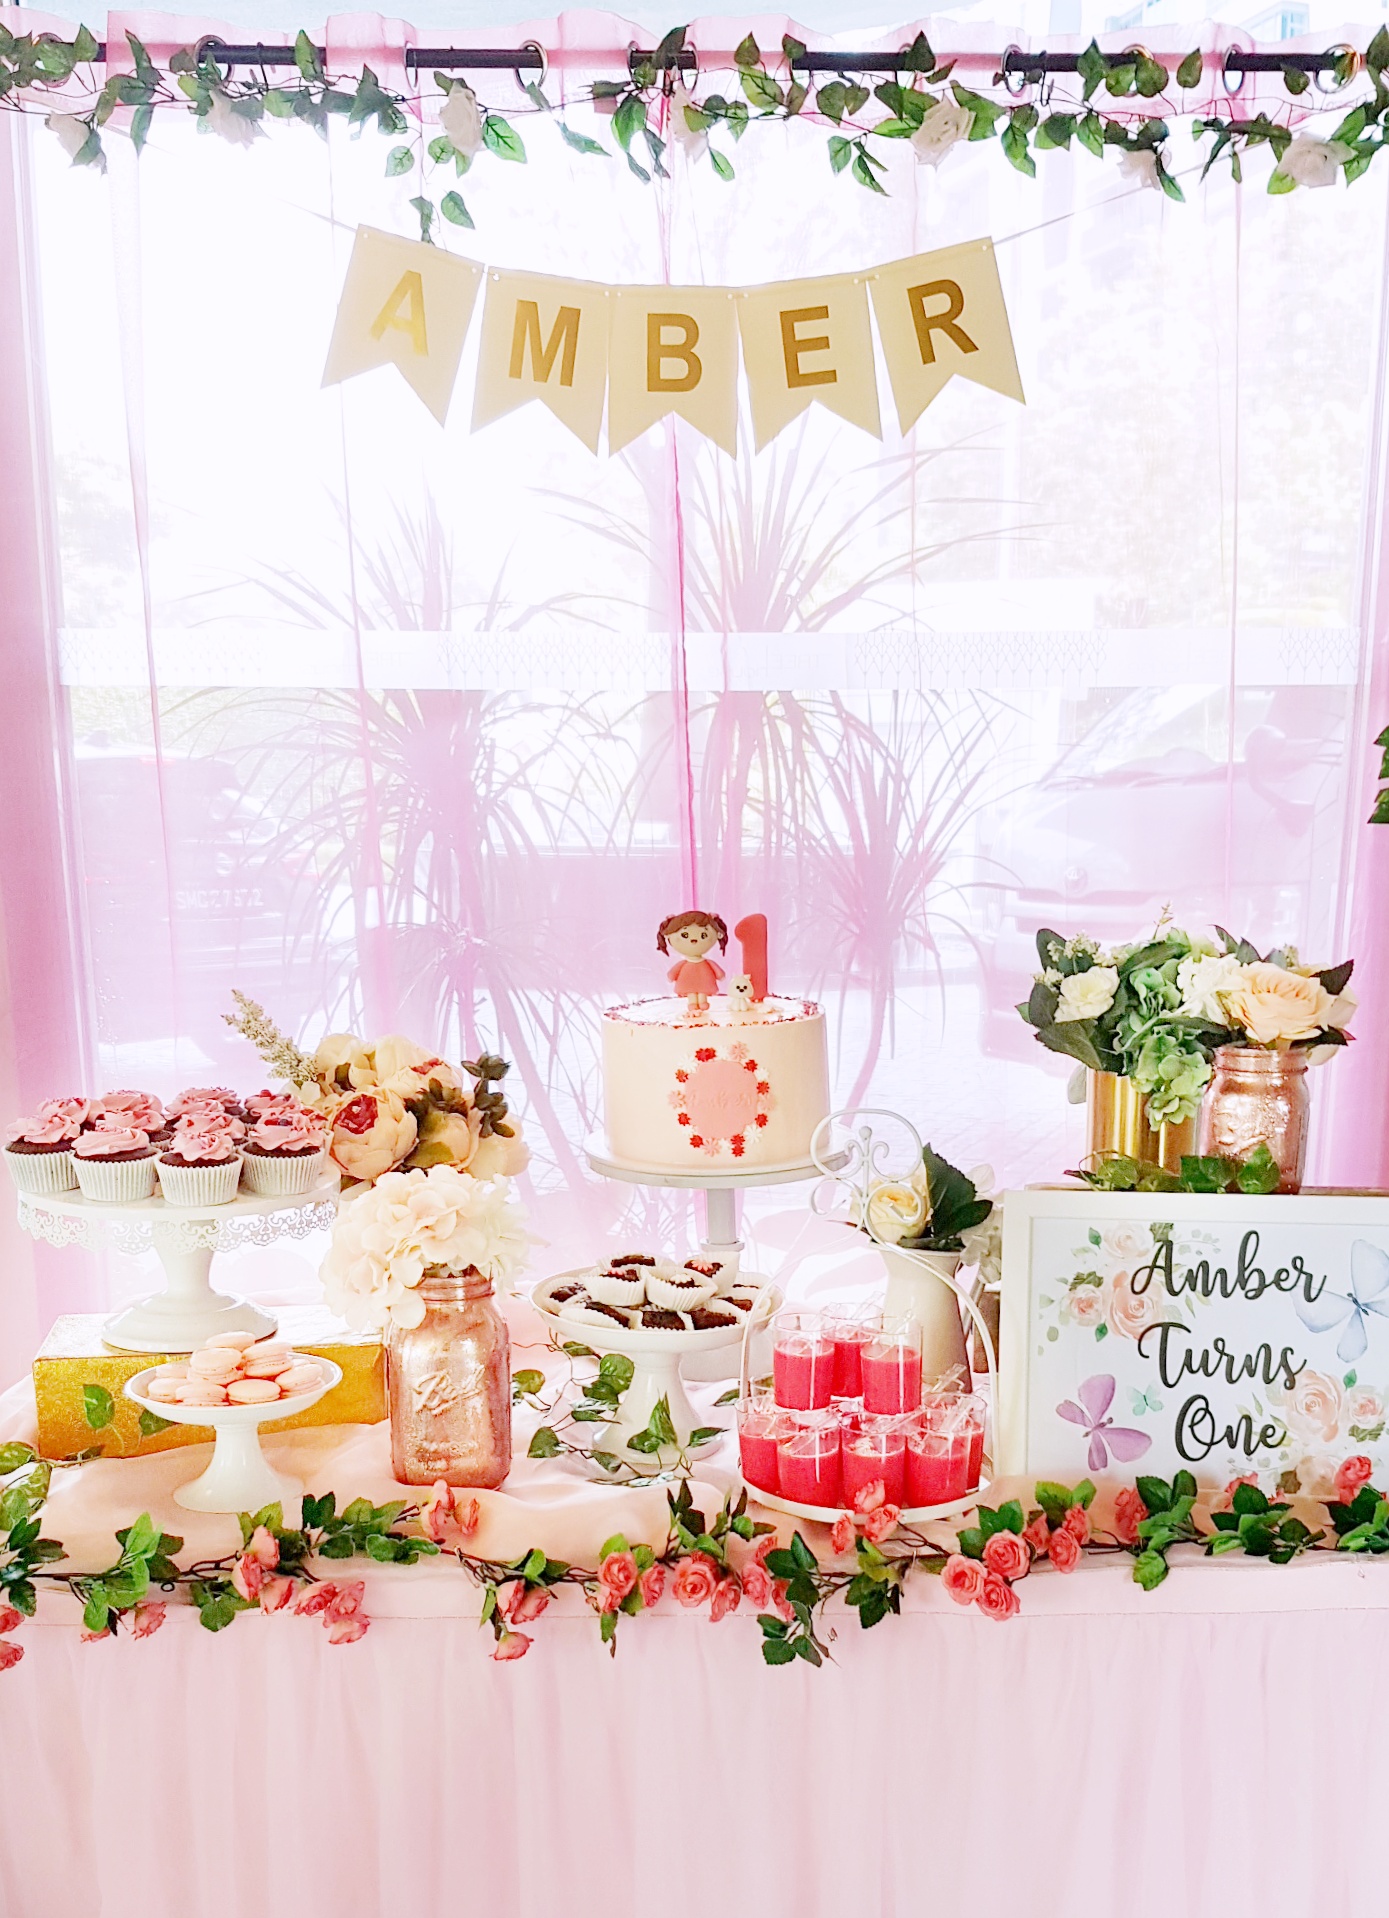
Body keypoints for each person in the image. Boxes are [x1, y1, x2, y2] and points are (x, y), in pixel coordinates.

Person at [656, 910, 728, 1013]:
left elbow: (717, 970)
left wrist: (720, 975)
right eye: (685, 935)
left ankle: (702, 1001)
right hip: (688, 982)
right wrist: (671, 976)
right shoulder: (683, 964)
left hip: (704, 981)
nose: (694, 940)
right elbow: (674, 971)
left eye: (703, 935)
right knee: (691, 993)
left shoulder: (706, 963)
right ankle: (692, 1003)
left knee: (703, 990)